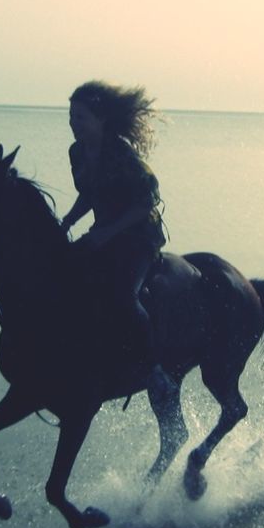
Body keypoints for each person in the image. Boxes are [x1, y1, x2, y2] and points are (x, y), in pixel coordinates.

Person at [60, 81, 167, 390]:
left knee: (124, 295)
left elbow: (147, 201)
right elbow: (88, 195)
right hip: (103, 235)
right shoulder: (77, 153)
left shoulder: (121, 154)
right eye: (70, 116)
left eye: (81, 117)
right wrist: (66, 221)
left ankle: (154, 370)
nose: (73, 123)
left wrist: (107, 232)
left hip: (139, 238)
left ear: (101, 119)